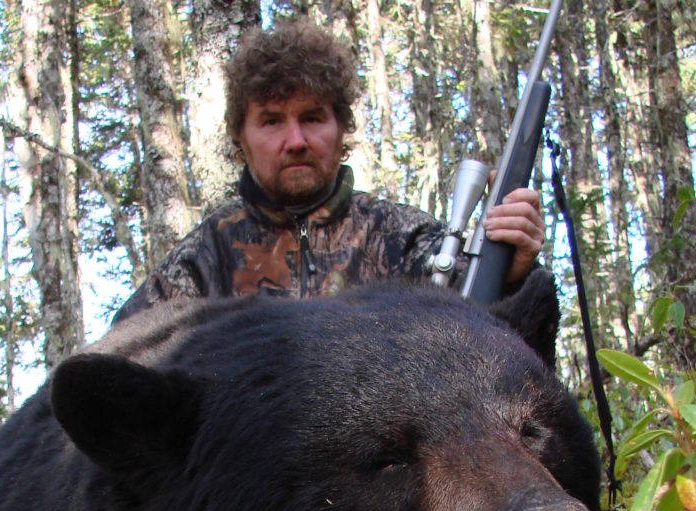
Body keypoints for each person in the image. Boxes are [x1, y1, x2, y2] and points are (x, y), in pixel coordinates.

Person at [113, 20, 545, 323]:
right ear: (240, 139)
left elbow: (483, 329)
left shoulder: (401, 240)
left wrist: (512, 272)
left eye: (313, 117)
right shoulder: (205, 260)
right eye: (271, 121)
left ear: (342, 130)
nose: (296, 139)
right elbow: (121, 366)